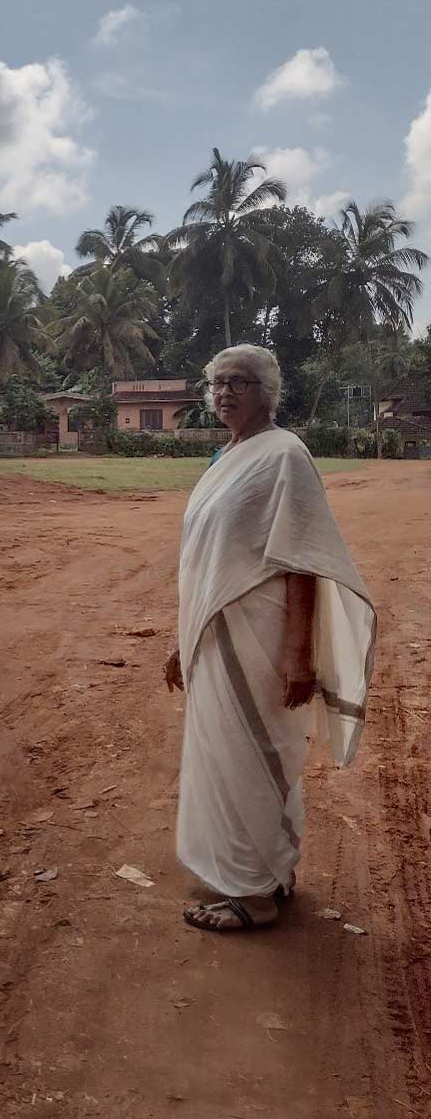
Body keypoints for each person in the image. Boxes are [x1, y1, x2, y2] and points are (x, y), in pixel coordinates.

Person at [163, 345, 375, 932]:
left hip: (259, 632)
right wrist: (185, 638)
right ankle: (263, 874)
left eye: (240, 382)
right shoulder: (225, 456)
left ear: (267, 393)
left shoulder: (285, 455)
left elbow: (301, 559)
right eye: (218, 383)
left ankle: (252, 898)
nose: (225, 392)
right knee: (225, 758)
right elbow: (208, 560)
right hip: (214, 631)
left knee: (251, 756)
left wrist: (297, 651)